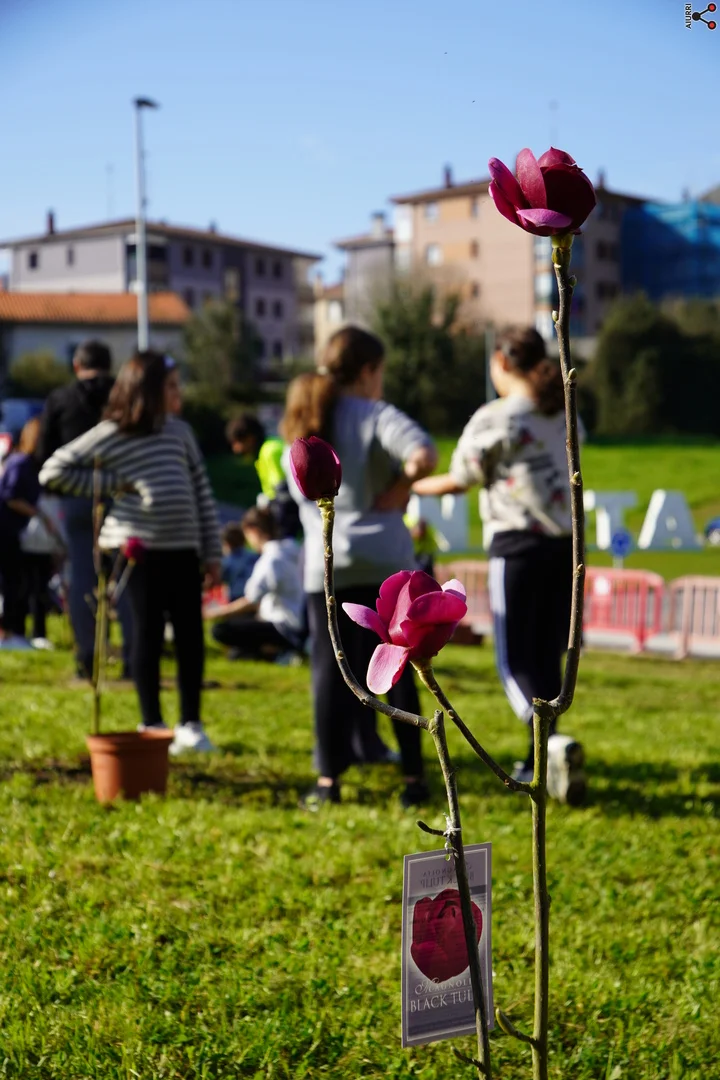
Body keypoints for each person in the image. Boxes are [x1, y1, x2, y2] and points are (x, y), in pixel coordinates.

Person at [413, 326, 586, 805]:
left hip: (517, 548)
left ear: (502, 362)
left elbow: (460, 479)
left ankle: (549, 742)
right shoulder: (564, 410)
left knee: (513, 660)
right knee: (547, 656)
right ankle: (542, 759)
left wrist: (411, 486)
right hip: (566, 549)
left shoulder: (495, 417)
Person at [282, 325, 438, 808]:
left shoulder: (303, 419)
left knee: (329, 672)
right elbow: (424, 454)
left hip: (327, 563)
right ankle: (413, 779)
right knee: (401, 666)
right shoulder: (376, 414)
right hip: (386, 562)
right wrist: (401, 487)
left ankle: (328, 781)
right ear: (369, 371)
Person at [40, 350, 222, 754]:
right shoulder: (112, 433)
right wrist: (113, 484)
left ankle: (191, 723)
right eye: (170, 386)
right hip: (137, 552)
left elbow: (202, 494)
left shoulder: (180, 433)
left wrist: (212, 553)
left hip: (183, 549)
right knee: (146, 634)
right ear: (146, 390)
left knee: (190, 637)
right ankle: (151, 722)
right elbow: (53, 470)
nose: (178, 393)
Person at [37, 340, 132, 678]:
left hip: (78, 497)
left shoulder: (60, 399)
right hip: (124, 494)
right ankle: (134, 657)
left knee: (81, 575)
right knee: (127, 575)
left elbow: (44, 452)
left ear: (77, 365)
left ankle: (88, 657)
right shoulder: (124, 396)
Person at [208, 507, 304, 662]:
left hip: (282, 626)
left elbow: (251, 600)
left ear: (253, 531)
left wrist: (214, 614)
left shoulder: (271, 558)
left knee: (220, 630)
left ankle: (273, 652)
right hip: (300, 623)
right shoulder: (292, 548)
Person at [0, 418, 46, 649]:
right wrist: (37, 513)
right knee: (12, 584)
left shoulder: (30, 464)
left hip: (18, 532)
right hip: (7, 531)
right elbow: (10, 497)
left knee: (20, 583)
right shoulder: (20, 463)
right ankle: (9, 632)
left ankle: (16, 630)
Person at [225, 413, 300, 538]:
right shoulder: (271, 447)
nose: (236, 449)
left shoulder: (269, 452)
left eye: (237, 442)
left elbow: (283, 494)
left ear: (250, 438)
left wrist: (280, 533)